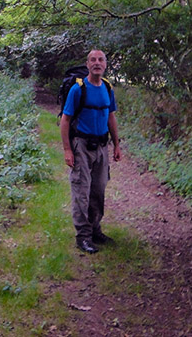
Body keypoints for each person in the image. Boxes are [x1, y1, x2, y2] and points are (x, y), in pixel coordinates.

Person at [60, 49, 121, 253]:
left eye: (101, 60)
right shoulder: (78, 89)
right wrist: (68, 150)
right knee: (81, 192)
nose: (97, 63)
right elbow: (65, 120)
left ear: (105, 64)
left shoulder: (107, 87)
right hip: (82, 147)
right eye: (93, 60)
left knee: (98, 190)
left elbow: (110, 116)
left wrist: (117, 145)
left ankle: (95, 230)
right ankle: (83, 237)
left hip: (102, 147)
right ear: (87, 64)